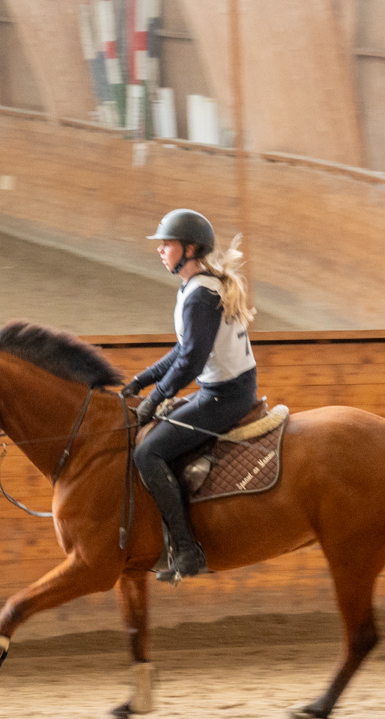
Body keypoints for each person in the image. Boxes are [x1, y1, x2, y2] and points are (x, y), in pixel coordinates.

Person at [123, 209, 258, 582]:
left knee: (147, 453)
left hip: (225, 396)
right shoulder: (196, 288)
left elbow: (191, 362)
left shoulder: (199, 296)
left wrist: (154, 399)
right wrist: (141, 380)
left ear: (190, 249)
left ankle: (187, 549)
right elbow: (182, 350)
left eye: (167, 244)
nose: (160, 250)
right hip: (222, 389)